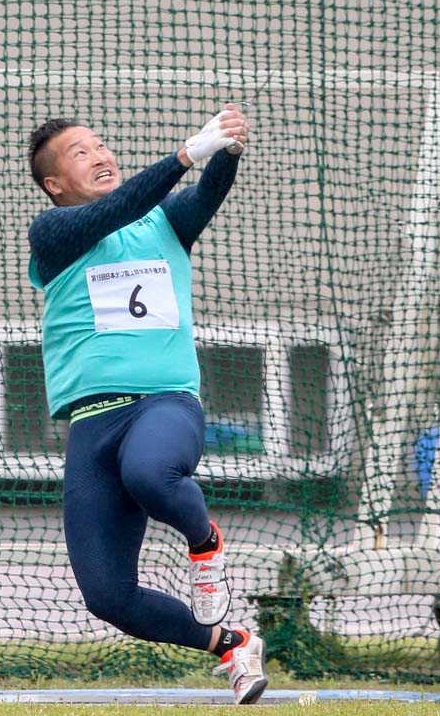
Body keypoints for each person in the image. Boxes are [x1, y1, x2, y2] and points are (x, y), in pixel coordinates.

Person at [25, 105, 267, 705]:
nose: (100, 155)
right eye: (80, 153)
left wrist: (227, 151)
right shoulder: (53, 232)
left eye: (100, 144)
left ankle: (204, 544)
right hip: (92, 425)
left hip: (164, 404)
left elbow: (206, 194)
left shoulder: (163, 222)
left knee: (150, 473)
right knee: (109, 597)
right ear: (55, 184)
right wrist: (185, 155)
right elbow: (116, 210)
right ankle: (232, 645)